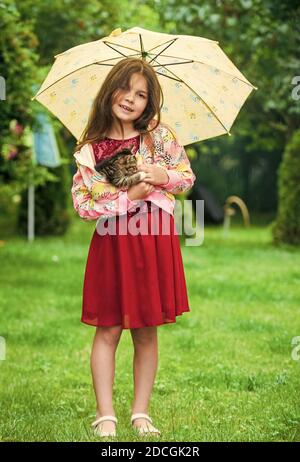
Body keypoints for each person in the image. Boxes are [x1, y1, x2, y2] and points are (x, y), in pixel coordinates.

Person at [71, 57, 196, 438]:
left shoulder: (159, 137)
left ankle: (141, 412)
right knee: (107, 328)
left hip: (153, 240)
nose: (131, 99)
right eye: (125, 89)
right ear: (110, 89)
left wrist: (163, 175)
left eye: (141, 95)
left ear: (149, 104)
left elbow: (186, 177)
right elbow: (83, 204)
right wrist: (129, 197)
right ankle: (105, 414)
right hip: (113, 242)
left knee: (146, 329)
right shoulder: (90, 150)